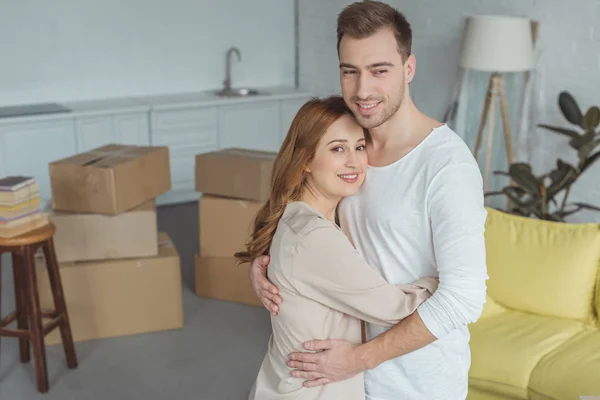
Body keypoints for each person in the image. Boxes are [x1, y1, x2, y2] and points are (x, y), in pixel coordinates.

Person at [249, 2, 488, 400]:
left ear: (408, 69)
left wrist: (359, 359)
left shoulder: (447, 166)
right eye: (350, 71)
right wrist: (268, 267)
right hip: (343, 382)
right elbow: (303, 215)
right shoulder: (348, 145)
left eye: (379, 71)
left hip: (414, 384)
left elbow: (463, 299)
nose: (363, 90)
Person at [235, 96, 438, 399]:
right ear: (305, 160)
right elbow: (393, 307)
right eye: (337, 148)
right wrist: (443, 283)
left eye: (359, 146)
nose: (354, 162)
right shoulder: (315, 236)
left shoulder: (302, 216)